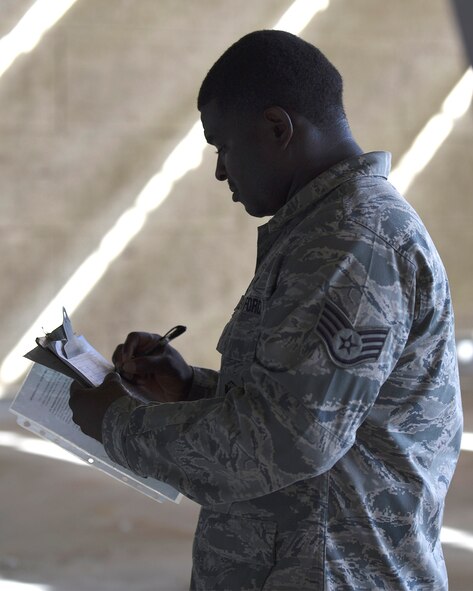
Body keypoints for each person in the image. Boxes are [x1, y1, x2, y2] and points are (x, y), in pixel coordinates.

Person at [69, 30, 463, 590]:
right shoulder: (327, 233)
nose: (220, 172)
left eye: (222, 147)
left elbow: (293, 440)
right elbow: (305, 405)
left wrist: (116, 421)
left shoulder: (354, 242)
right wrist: (190, 391)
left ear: (278, 128)